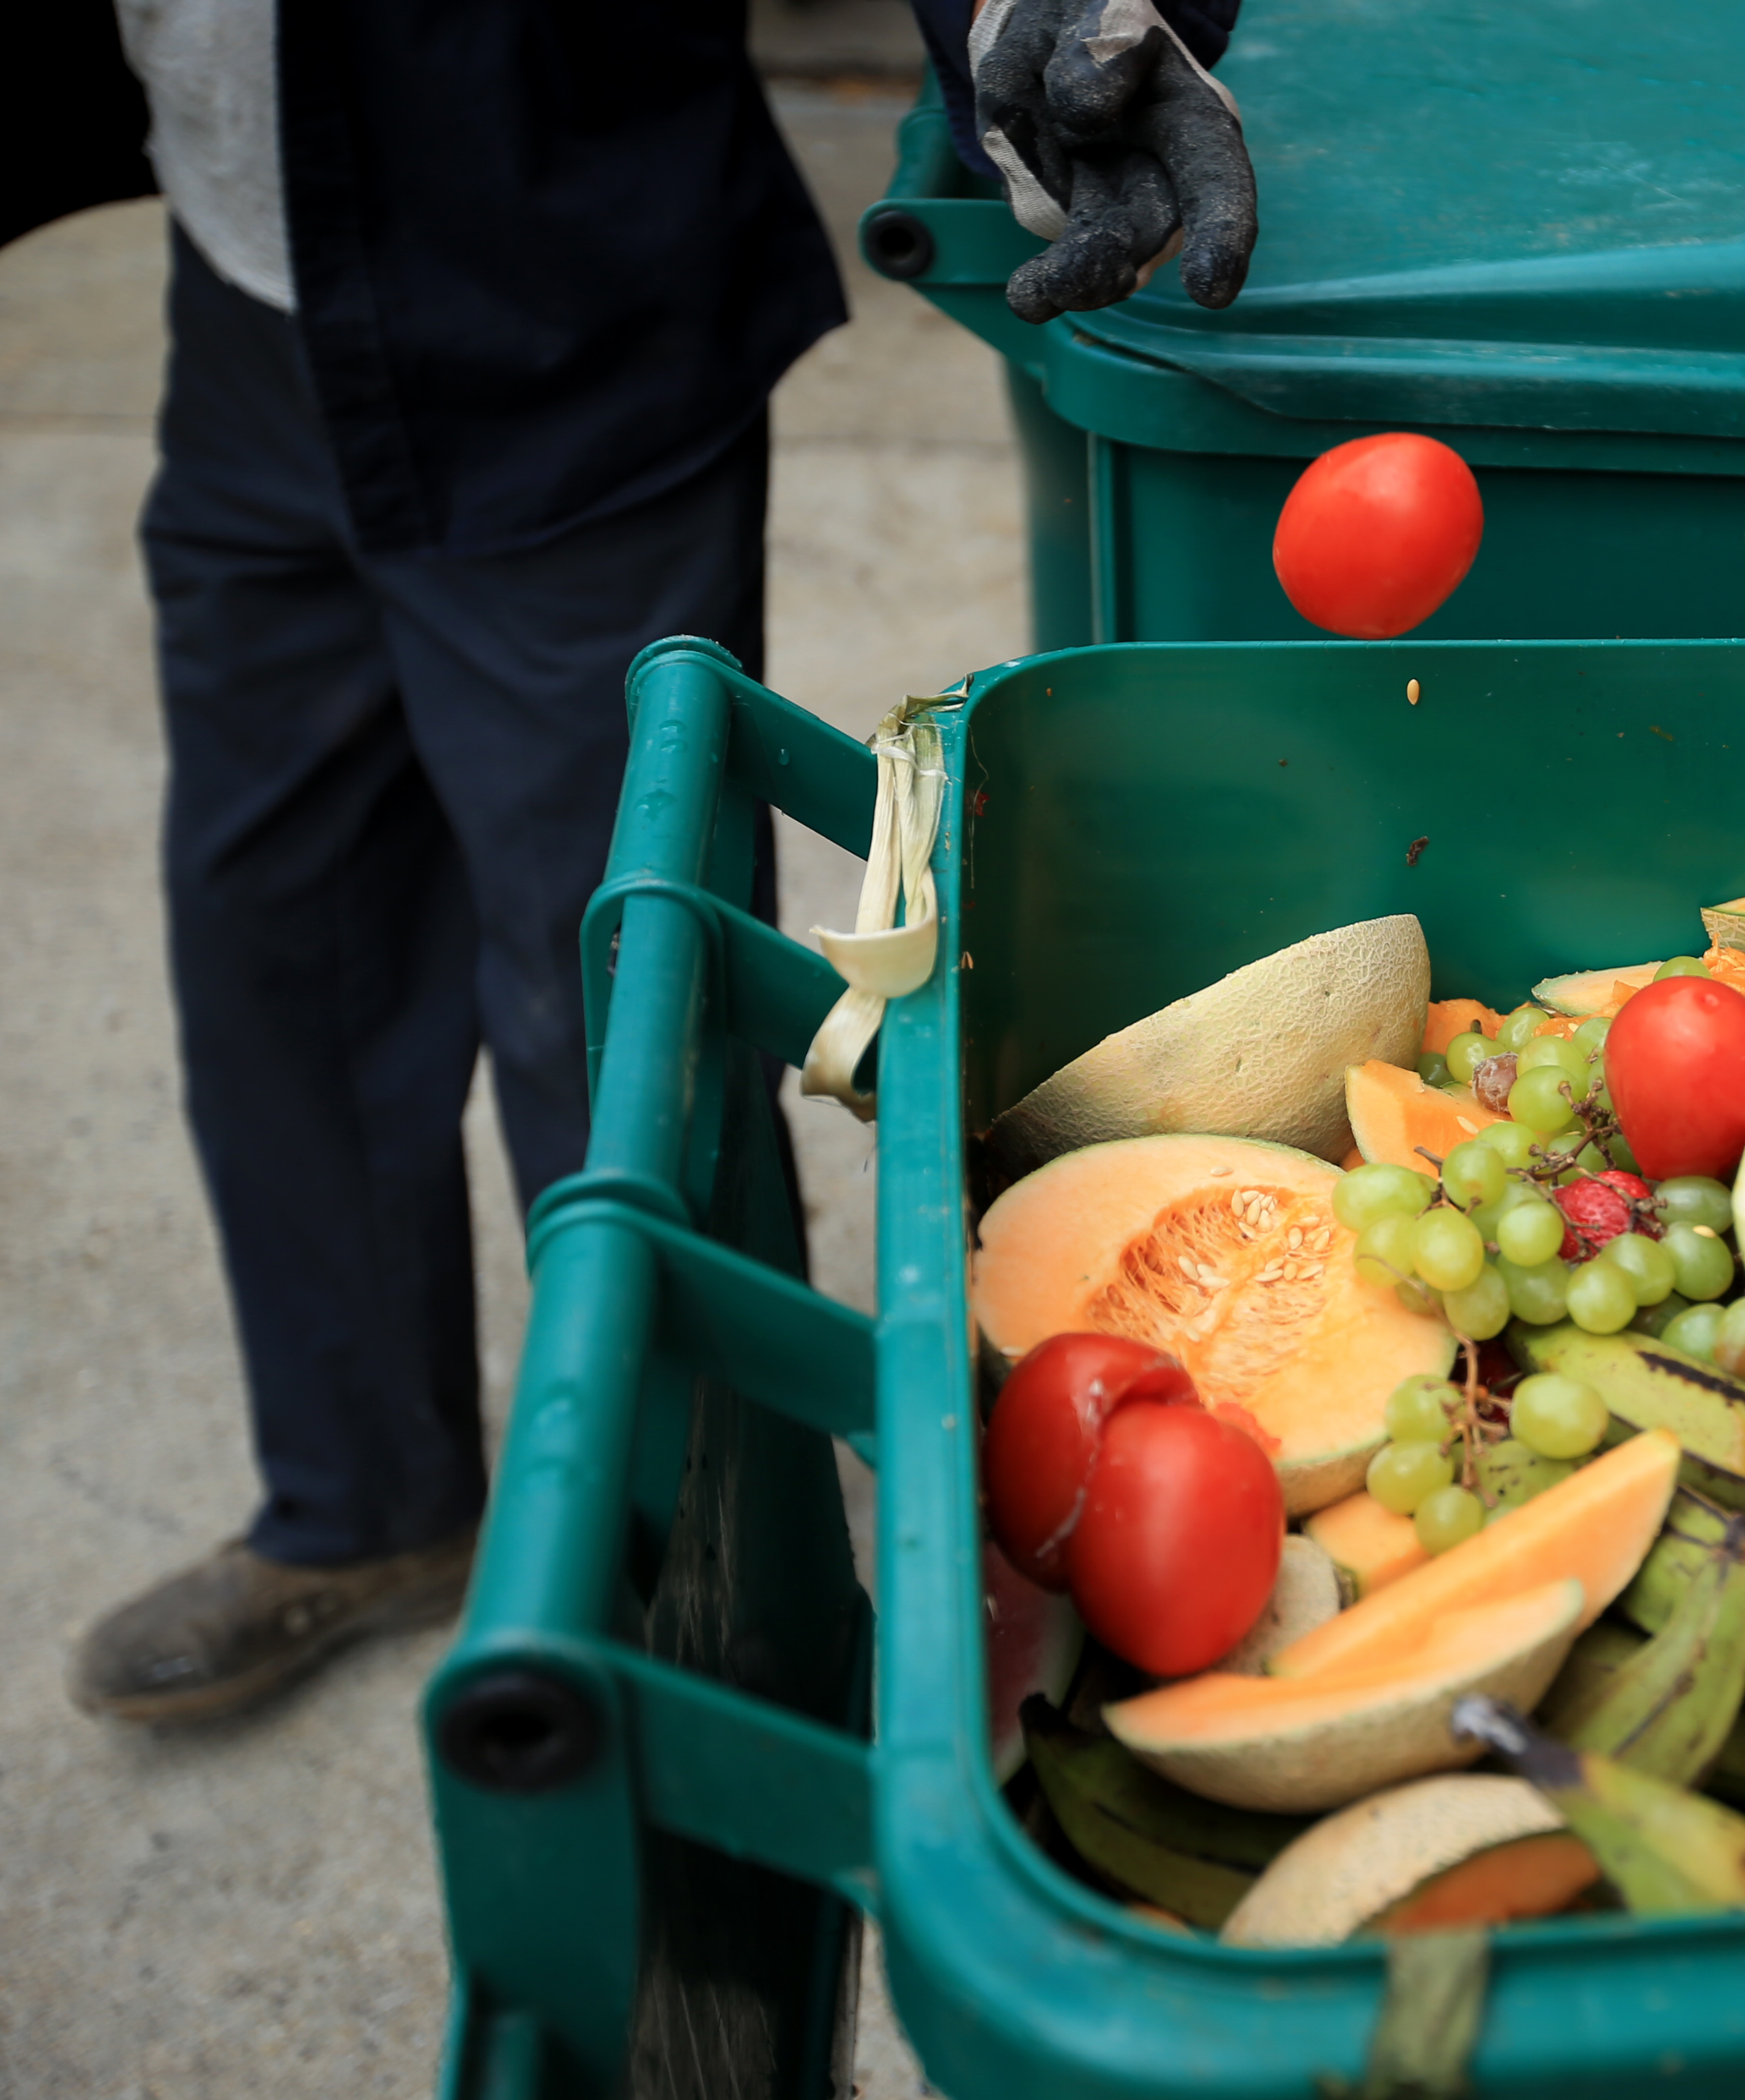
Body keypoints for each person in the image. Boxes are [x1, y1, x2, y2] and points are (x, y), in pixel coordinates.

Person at [57, 0, 1253, 1725]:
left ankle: (707, 1616)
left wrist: (1045, 18)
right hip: (249, 298)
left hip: (557, 312)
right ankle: (360, 1503)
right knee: (273, 943)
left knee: (616, 1012)